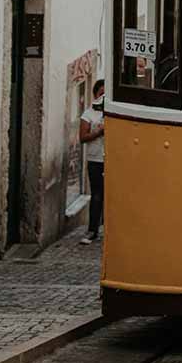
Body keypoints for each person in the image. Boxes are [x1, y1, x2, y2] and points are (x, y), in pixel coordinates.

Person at [78, 79, 106, 245]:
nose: (103, 96)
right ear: (95, 94)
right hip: (95, 159)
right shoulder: (88, 114)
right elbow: (82, 137)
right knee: (97, 195)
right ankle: (92, 230)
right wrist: (99, 131)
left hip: (112, 158)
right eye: (101, 93)